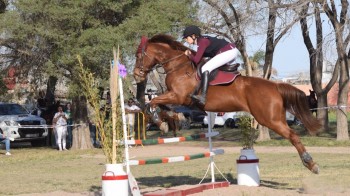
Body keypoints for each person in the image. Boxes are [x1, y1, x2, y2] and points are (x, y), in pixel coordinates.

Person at [183, 25, 239, 105]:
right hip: (230, 51)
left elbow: (196, 60)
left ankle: (203, 96)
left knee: (205, 68)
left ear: (193, 36)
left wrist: (189, 55)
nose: (186, 40)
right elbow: (201, 56)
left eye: (186, 37)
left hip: (229, 51)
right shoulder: (201, 41)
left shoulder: (202, 42)